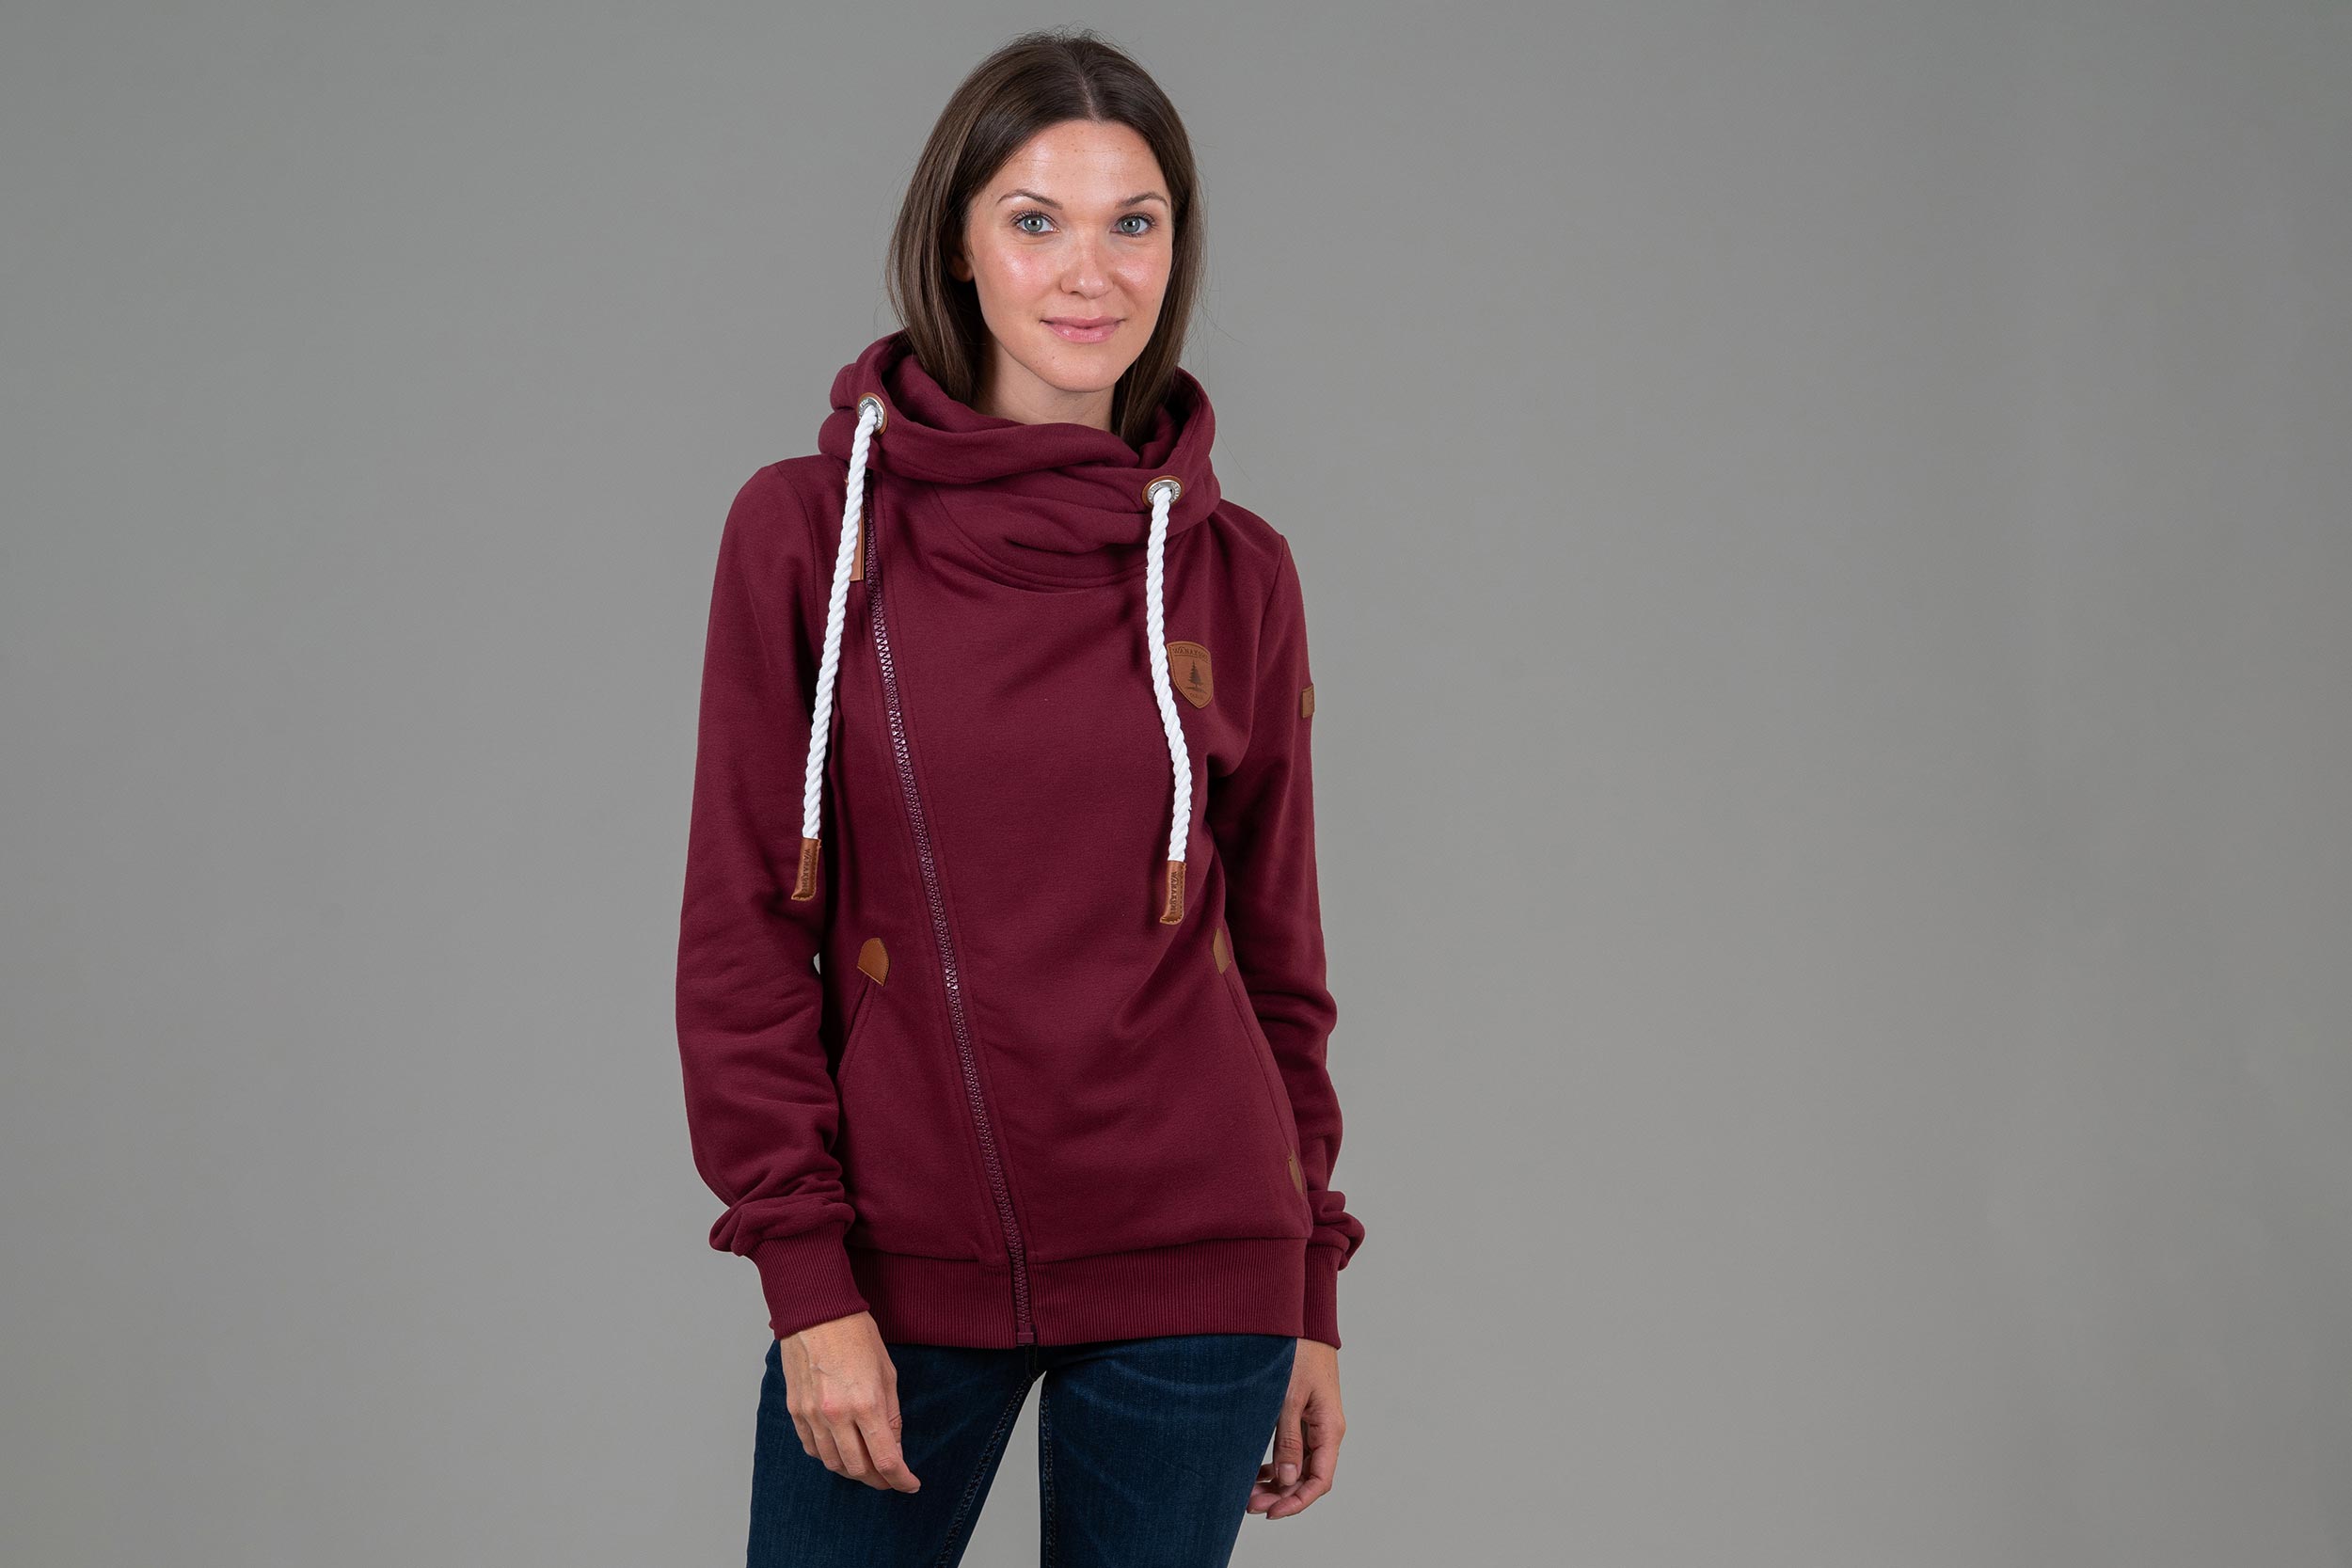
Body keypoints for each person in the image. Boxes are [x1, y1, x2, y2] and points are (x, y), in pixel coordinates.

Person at [674, 28, 1364, 1566]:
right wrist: (806, 1277)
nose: (1090, 273)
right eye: (1037, 220)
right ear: (959, 244)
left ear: (1176, 251)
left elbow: (1278, 961)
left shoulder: (1237, 572)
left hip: (1201, 1260)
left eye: (1135, 223)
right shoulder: (806, 537)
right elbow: (742, 928)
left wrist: (1310, 1281)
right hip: (897, 1264)